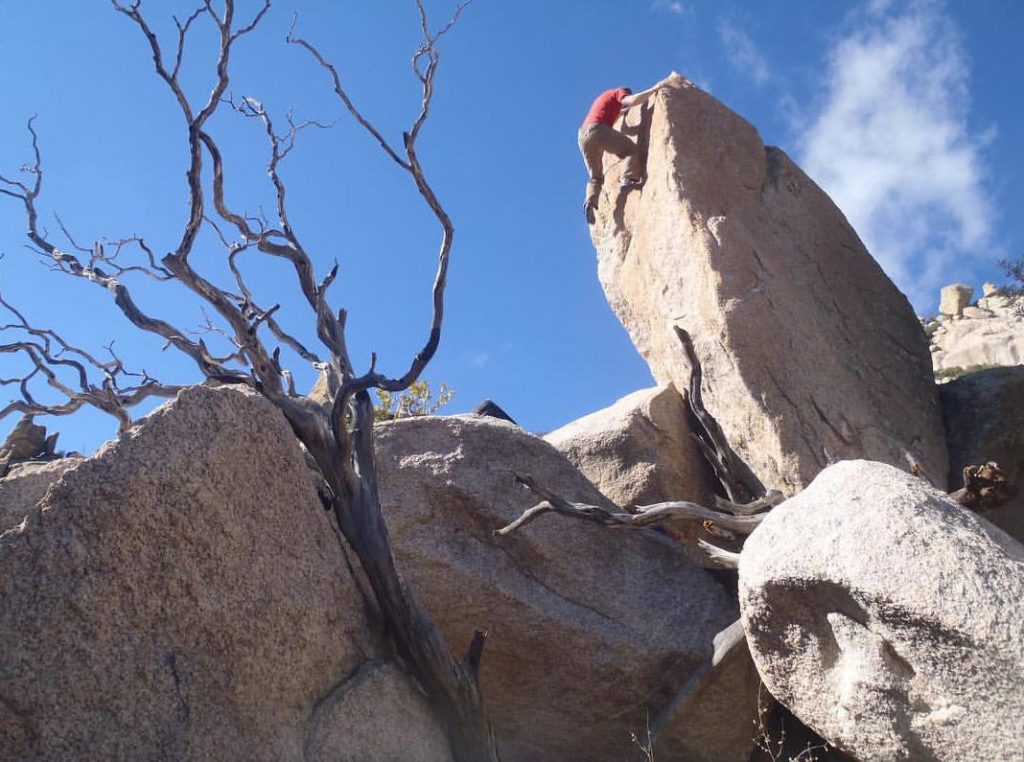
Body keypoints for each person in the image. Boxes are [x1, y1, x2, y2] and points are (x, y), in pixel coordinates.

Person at [578, 79, 668, 223]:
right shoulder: (620, 92)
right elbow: (630, 101)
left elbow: (624, 125)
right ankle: (628, 178)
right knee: (631, 151)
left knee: (596, 177)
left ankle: (590, 201)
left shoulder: (605, 99)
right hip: (597, 130)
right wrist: (653, 90)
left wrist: (623, 114)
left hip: (583, 136)